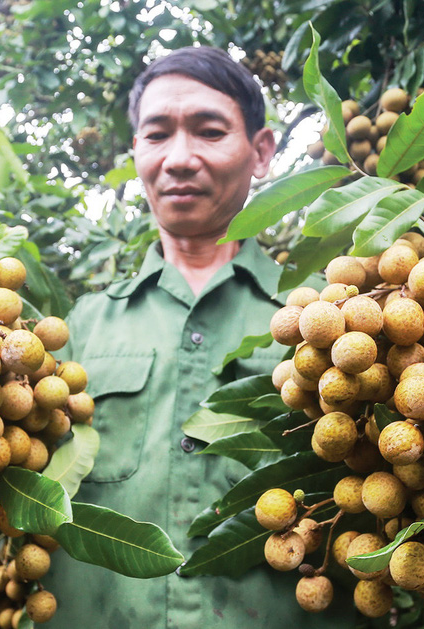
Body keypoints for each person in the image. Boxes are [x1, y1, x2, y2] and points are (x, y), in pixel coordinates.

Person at [42, 47, 355, 628]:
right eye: (157, 134)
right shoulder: (73, 330)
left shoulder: (334, 319)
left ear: (261, 152)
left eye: (209, 132)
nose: (179, 159)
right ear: (136, 150)